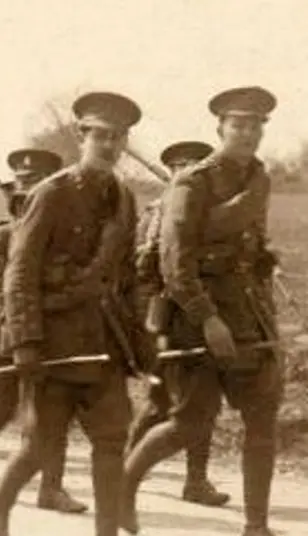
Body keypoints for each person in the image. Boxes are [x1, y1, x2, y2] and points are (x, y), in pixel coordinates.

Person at [0, 92, 143, 536]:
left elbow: (127, 279)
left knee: (111, 439)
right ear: (81, 136)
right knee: (39, 447)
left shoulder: (124, 200)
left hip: (103, 339)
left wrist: (141, 343)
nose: (110, 146)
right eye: (101, 136)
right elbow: (20, 272)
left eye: (119, 138)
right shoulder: (50, 194)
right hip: (54, 340)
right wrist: (26, 342)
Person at [121, 87, 281, 536]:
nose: (247, 133)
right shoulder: (192, 182)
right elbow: (175, 261)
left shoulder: (260, 180)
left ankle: (256, 525)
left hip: (250, 316)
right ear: (220, 128)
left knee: (262, 419)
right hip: (197, 319)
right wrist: (207, 317)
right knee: (189, 425)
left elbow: (250, 246)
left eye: (255, 125)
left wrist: (265, 257)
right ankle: (121, 490)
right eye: (238, 124)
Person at [0, 149, 87, 513]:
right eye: (23, 184)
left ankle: (51, 489)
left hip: (52, 332)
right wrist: (14, 329)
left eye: (37, 184)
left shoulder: (63, 233)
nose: (29, 191)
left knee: (53, 410)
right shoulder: (3, 233)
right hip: (5, 334)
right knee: (0, 406)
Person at [126, 139, 230, 508]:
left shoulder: (216, 211)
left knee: (204, 399)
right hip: (168, 319)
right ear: (171, 173)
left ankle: (195, 480)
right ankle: (127, 468)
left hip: (210, 315)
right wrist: (151, 327)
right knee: (161, 403)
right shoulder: (159, 212)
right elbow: (142, 272)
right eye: (181, 167)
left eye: (196, 167)